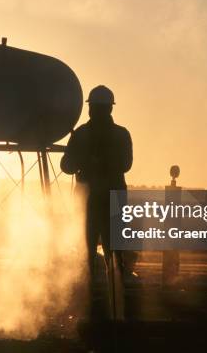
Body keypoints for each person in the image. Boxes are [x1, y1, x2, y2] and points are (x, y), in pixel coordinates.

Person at [61, 85, 133, 318]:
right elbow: (124, 165)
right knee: (108, 254)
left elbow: (67, 166)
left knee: (91, 254)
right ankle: (113, 307)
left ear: (92, 108)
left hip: (96, 202)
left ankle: (94, 306)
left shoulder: (82, 134)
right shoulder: (120, 134)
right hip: (107, 201)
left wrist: (88, 161)